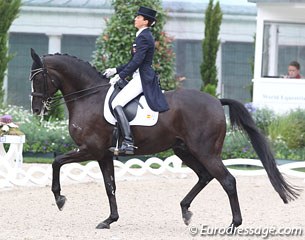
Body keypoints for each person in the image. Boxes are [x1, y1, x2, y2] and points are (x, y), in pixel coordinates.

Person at [103, 6, 169, 155]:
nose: (135, 19)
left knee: (116, 103)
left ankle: (128, 141)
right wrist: (115, 70)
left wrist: (120, 76)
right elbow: (132, 61)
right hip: (138, 75)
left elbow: (137, 62)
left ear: (145, 21)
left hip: (142, 78)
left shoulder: (144, 37)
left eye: (138, 17)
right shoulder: (141, 35)